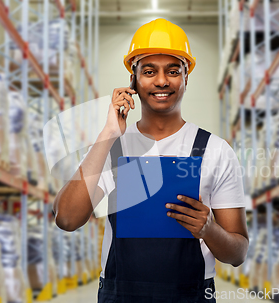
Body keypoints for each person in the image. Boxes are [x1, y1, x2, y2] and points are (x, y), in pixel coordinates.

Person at [53, 18, 249, 302]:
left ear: (185, 78)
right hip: (120, 295)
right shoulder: (112, 147)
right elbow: (67, 219)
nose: (161, 81)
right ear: (133, 79)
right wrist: (108, 134)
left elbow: (238, 253)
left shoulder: (214, 151)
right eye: (149, 71)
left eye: (172, 70)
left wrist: (210, 230)